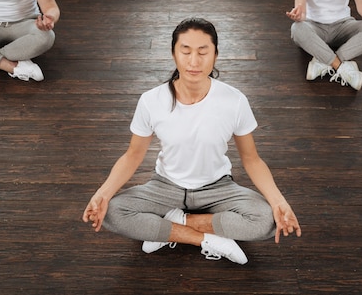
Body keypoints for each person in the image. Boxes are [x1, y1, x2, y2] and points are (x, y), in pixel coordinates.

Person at [83, 18, 301, 265]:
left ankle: (170, 225)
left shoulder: (235, 101)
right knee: (111, 212)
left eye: (203, 52)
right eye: (185, 51)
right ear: (174, 53)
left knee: (267, 219)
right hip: (165, 186)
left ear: (215, 55)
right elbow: (133, 155)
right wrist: (102, 193)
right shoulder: (151, 101)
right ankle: (206, 239)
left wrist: (278, 201)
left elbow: (251, 159)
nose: (194, 61)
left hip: (217, 188)